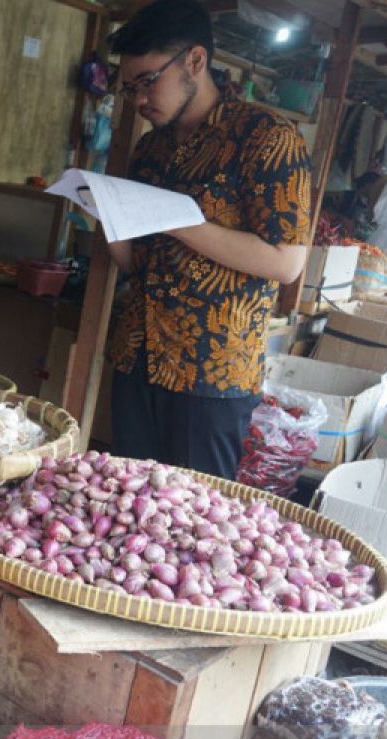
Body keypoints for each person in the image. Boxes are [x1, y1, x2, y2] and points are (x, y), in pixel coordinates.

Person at [105, 0, 312, 479]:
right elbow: (140, 264)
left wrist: (178, 222)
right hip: (137, 357)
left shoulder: (266, 138)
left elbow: (286, 263)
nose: (138, 100)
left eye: (147, 82)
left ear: (194, 61)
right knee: (123, 504)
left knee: (195, 521)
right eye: (129, 87)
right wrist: (107, 216)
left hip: (210, 372)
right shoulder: (150, 149)